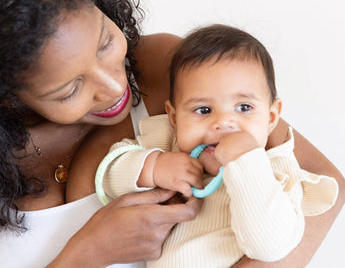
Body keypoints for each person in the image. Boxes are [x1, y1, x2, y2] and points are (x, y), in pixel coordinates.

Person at [0, 0, 343, 268]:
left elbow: (322, 183)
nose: (115, 86)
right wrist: (85, 255)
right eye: (70, 89)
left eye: (105, 43)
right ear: (8, 98)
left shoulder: (167, 65)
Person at [93, 24, 338, 268]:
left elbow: (268, 248)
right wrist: (154, 166)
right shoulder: (170, 145)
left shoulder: (278, 172)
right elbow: (108, 177)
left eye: (244, 107)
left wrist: (247, 164)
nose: (223, 123)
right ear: (175, 117)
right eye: (204, 110)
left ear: (272, 118)